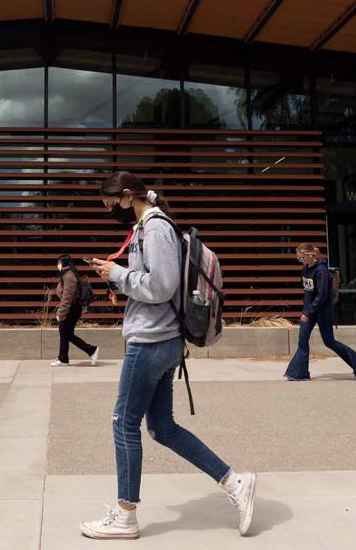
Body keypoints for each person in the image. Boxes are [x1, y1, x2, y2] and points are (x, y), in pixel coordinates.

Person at [85, 171, 256, 540]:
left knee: (123, 424)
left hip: (151, 341)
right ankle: (235, 482)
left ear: (127, 196)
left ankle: (125, 516)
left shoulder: (155, 228)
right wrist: (119, 274)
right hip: (162, 339)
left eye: (111, 205)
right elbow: (152, 279)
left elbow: (162, 286)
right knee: (162, 428)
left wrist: (118, 273)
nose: (110, 212)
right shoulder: (151, 226)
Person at [285, 243, 356, 381]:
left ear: (310, 255)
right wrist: (306, 308)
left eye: (302, 257)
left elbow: (322, 295)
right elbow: (307, 292)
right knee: (302, 340)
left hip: (323, 311)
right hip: (310, 310)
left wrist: (309, 311)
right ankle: (299, 373)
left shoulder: (321, 270)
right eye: (298, 258)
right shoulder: (305, 269)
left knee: (329, 342)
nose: (300, 260)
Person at [50, 254, 99, 367]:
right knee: (65, 333)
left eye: (59, 262)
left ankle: (92, 350)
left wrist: (61, 312)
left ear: (64, 263)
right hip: (70, 308)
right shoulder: (66, 274)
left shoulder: (69, 276)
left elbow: (67, 296)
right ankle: (63, 358)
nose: (58, 265)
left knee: (67, 334)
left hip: (71, 309)